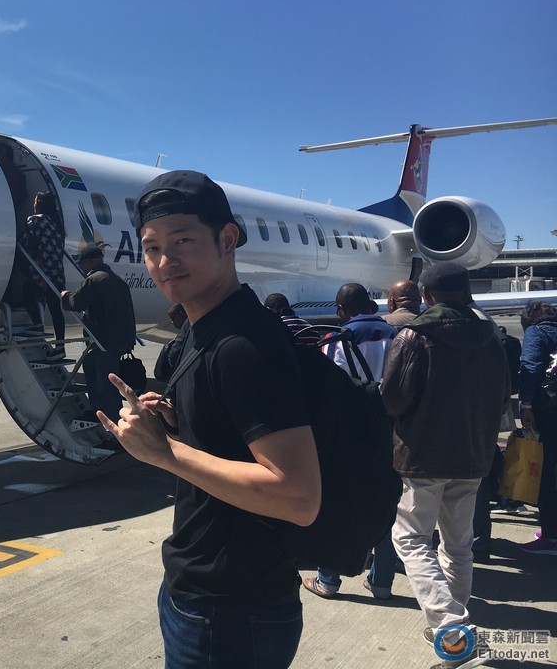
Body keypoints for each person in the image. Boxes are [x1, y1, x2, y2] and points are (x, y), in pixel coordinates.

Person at [97, 170, 321, 669]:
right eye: (152, 247)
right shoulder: (204, 331)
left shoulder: (245, 345)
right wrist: (177, 423)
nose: (164, 262)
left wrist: (166, 452)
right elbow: (233, 437)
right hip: (202, 592)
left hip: (232, 610)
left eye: (183, 241)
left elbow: (298, 497)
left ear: (227, 240)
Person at [380, 263, 508, 663]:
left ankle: (452, 628)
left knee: (411, 540)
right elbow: (503, 395)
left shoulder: (415, 336)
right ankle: (454, 624)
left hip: (423, 454)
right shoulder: (490, 337)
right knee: (458, 543)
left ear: (427, 296)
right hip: (472, 454)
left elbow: (393, 398)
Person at [303, 283, 398, 600]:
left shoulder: (336, 340)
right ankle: (382, 582)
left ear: (341, 310)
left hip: (349, 433)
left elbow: (327, 390)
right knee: (387, 502)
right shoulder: (398, 337)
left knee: (338, 503)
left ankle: (328, 579)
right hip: (390, 429)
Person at [60, 243, 135, 423]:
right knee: (91, 367)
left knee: (105, 386)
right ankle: (98, 413)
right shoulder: (118, 280)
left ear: (90, 262)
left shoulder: (95, 279)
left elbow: (76, 302)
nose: (82, 268)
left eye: (82, 264)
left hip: (103, 342)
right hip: (117, 341)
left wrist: (65, 295)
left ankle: (114, 423)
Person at [515, 300, 557, 554]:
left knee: (547, 471)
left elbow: (530, 367)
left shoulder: (537, 332)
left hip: (548, 411)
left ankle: (551, 535)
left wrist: (526, 404)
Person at [20, 191, 67, 356]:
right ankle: (60, 347)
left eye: (35, 201)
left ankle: (38, 325)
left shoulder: (35, 220)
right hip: (57, 271)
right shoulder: (56, 223)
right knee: (55, 309)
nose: (33, 204)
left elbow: (24, 239)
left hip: (43, 271)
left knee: (27, 292)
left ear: (39, 204)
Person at [153, 303, 188, 383]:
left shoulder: (184, 336)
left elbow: (174, 358)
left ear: (182, 315)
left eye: (174, 318)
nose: (172, 322)